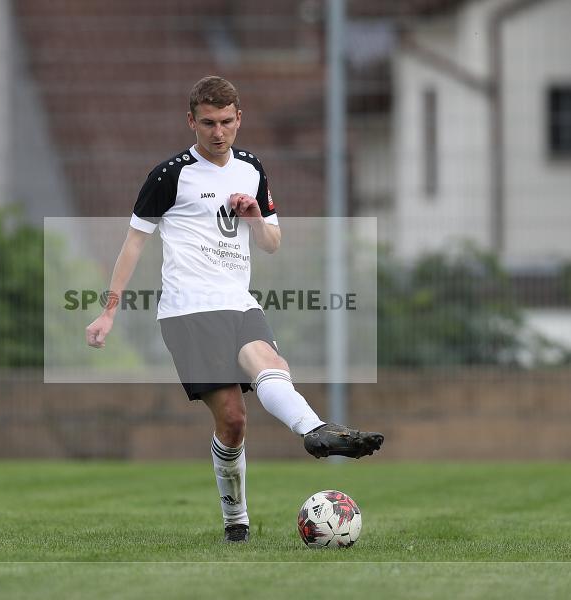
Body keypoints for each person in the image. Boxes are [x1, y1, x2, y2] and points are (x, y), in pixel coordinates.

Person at [86, 76, 383, 543]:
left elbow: (271, 244)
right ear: (191, 121)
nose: (218, 132)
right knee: (233, 419)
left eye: (226, 121)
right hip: (188, 311)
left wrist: (254, 218)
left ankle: (316, 430)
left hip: (238, 300)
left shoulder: (252, 168)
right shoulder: (169, 176)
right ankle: (235, 519)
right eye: (208, 123)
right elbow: (133, 244)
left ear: (239, 118)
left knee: (269, 363)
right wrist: (108, 311)